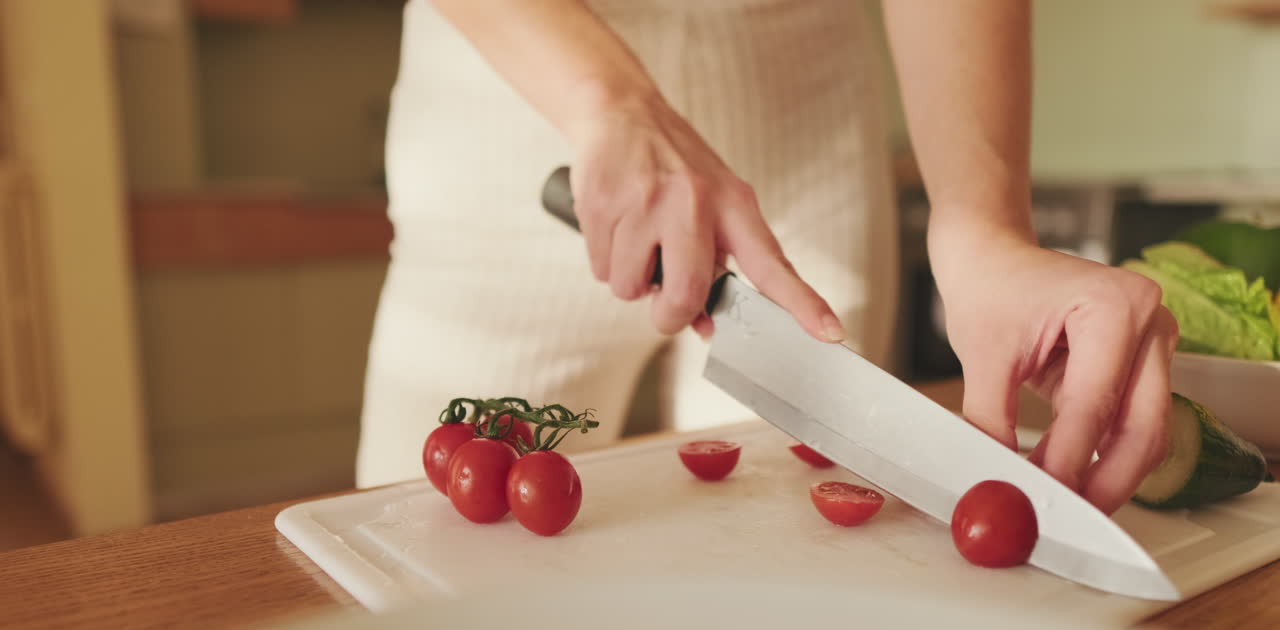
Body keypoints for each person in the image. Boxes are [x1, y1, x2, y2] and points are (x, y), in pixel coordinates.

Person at [355, 0, 1179, 516]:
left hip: (805, 122)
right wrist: (607, 100)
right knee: (423, 575)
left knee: (791, 570)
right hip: (517, 110)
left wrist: (982, 223)